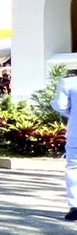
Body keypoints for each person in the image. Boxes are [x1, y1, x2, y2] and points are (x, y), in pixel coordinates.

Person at [51, 70, 77, 220]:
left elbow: (59, 105)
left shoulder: (69, 82)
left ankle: (75, 207)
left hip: (76, 132)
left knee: (73, 168)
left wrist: (72, 114)